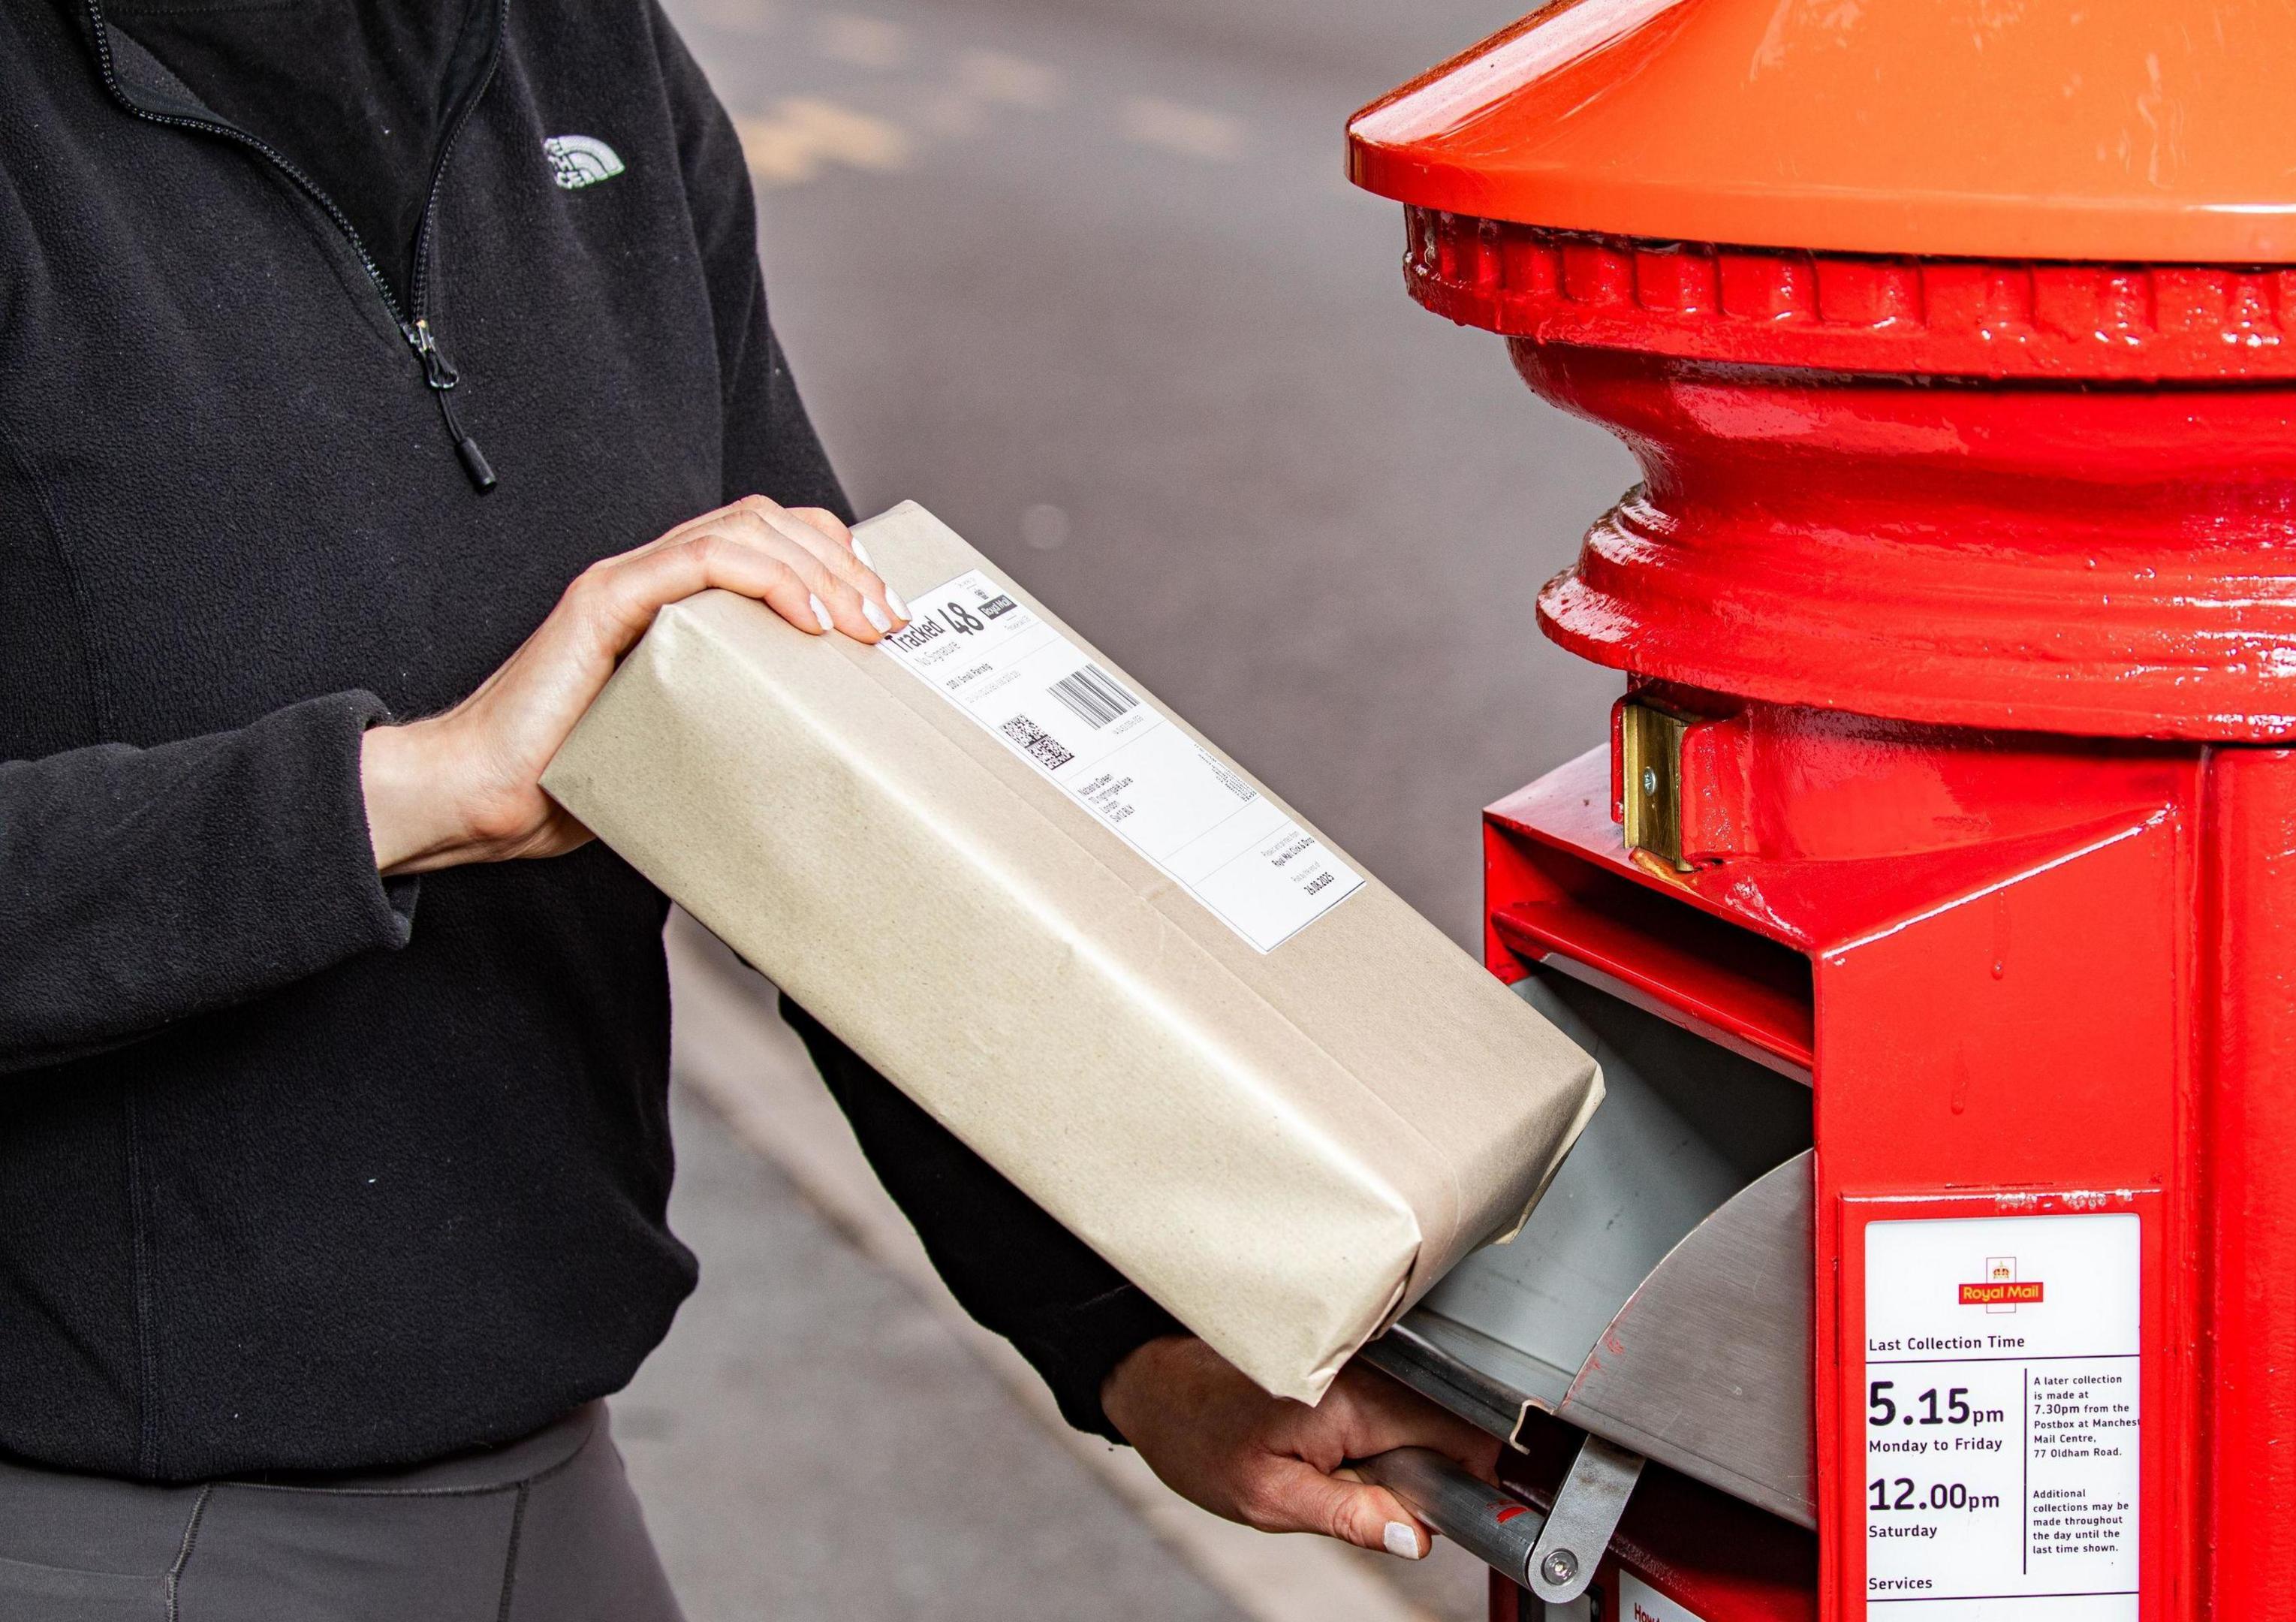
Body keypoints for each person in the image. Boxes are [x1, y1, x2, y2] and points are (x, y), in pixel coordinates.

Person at [0, 0, 1495, 1615]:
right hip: (115, 1523)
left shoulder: (582, 52)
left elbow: (835, 790)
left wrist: (1127, 1342)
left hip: (551, 1482)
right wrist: (403, 792)